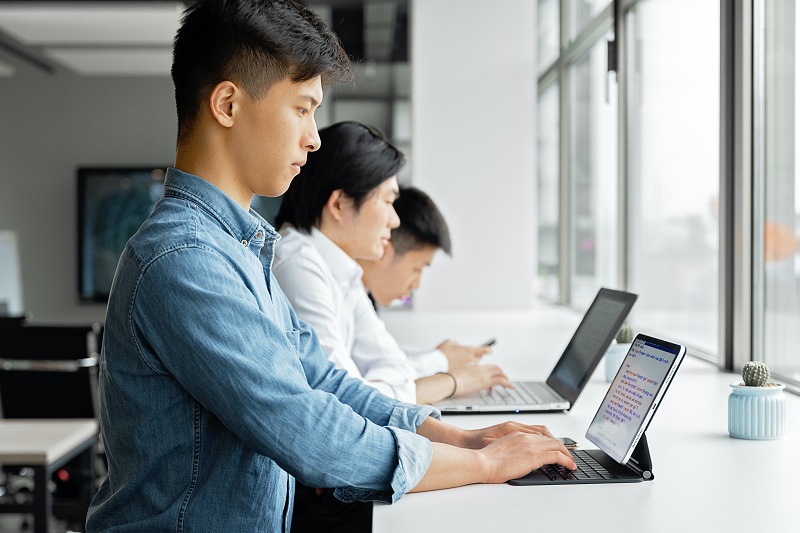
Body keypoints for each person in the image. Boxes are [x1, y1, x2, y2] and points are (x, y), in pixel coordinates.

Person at [86, 2, 575, 531]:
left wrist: (461, 438)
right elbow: (305, 429)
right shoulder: (186, 261)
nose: (314, 137)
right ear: (227, 104)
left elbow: (322, 381)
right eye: (301, 108)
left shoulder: (235, 248)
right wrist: (482, 464)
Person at [274, 121, 513, 405]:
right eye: (387, 202)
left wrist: (384, 381)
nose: (395, 220)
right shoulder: (298, 265)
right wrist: (447, 382)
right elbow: (347, 401)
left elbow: (388, 361)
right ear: (339, 205)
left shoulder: (341, 268)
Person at [359, 186, 491, 377]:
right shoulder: (332, 289)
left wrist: (439, 357)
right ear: (386, 246)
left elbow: (382, 355)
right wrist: (442, 363)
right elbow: (369, 381)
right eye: (417, 269)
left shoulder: (362, 298)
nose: (416, 285)